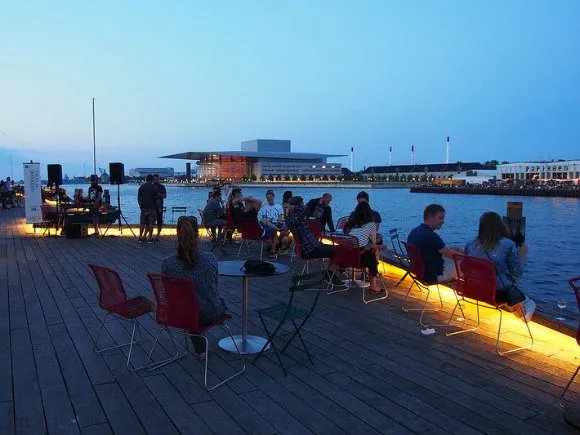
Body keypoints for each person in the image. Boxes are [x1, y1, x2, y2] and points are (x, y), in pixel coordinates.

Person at [161, 216, 227, 360]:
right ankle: (201, 349)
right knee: (202, 304)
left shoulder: (167, 264)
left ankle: (201, 349)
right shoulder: (210, 258)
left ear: (178, 233)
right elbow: (214, 288)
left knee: (189, 306)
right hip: (211, 313)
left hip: (181, 315)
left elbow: (168, 294)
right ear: (197, 234)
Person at [464, 211, 536, 321]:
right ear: (501, 226)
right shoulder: (508, 244)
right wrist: (522, 255)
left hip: (472, 290)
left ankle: (516, 309)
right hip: (496, 294)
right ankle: (524, 314)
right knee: (529, 302)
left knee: (502, 284)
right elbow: (516, 273)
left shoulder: (470, 244)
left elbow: (464, 268)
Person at [286, 196, 345, 287]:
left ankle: (330, 274)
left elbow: (304, 209)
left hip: (313, 245)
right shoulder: (296, 217)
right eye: (301, 204)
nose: (303, 205)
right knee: (338, 250)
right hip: (311, 249)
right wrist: (294, 207)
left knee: (336, 248)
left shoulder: (290, 218)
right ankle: (331, 275)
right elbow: (305, 208)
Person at [407, 204, 463, 283]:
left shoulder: (415, 231)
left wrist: (454, 249)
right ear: (430, 217)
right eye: (440, 218)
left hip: (419, 272)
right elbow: (453, 255)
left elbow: (431, 251)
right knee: (463, 261)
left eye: (443, 218)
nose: (443, 221)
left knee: (455, 256)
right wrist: (470, 257)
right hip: (433, 276)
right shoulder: (431, 236)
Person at [344, 201, 381, 293]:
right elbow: (372, 242)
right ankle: (373, 286)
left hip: (347, 258)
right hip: (360, 260)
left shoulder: (348, 225)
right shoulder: (371, 225)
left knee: (368, 251)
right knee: (372, 254)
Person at [259, 190, 290, 255]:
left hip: (277, 222)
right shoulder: (264, 207)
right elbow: (264, 219)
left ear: (273, 197)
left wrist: (281, 220)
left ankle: (276, 243)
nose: (269, 198)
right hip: (269, 223)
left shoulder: (279, 207)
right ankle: (273, 249)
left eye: (270, 197)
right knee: (273, 229)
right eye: (267, 197)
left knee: (286, 229)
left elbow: (282, 218)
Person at [137, 174, 158, 243]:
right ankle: (150, 238)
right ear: (152, 180)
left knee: (142, 223)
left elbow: (138, 198)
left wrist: (140, 206)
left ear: (146, 179)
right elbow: (156, 198)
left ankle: (140, 237)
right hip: (152, 208)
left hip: (143, 208)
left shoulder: (142, 187)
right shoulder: (154, 187)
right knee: (151, 223)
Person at [153, 174, 167, 240]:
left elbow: (164, 196)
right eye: (154, 179)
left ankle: (158, 234)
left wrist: (158, 194)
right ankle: (151, 234)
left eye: (156, 179)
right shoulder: (151, 186)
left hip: (159, 207)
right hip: (151, 206)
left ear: (158, 179)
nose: (155, 180)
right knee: (151, 221)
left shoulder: (162, 187)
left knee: (159, 221)